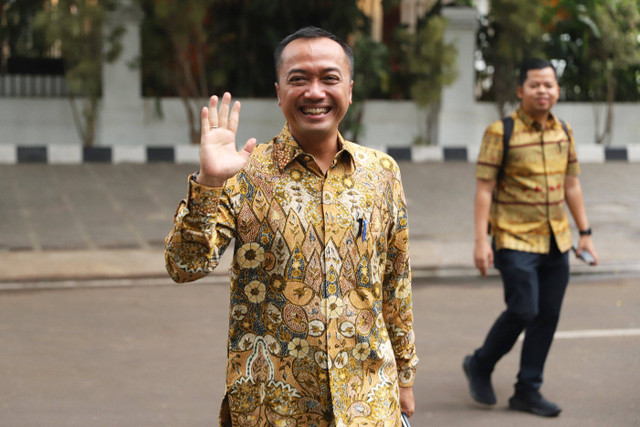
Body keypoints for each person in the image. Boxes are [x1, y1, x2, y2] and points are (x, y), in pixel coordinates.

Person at [165, 26, 418, 426]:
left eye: (329, 78)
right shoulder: (245, 173)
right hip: (274, 407)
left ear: (349, 90)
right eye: (298, 79)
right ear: (279, 92)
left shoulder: (381, 173)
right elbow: (184, 265)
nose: (314, 92)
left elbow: (395, 282)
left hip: (366, 403)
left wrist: (404, 377)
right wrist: (210, 182)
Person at [463, 58, 599, 417]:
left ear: (557, 90)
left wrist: (585, 233)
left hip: (557, 238)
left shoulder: (563, 132)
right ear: (521, 90)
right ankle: (480, 363)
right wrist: (480, 241)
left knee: (548, 315)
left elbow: (572, 184)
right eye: (535, 85)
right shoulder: (500, 131)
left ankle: (527, 389)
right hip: (513, 237)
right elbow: (484, 190)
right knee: (524, 308)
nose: (543, 91)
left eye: (549, 85)